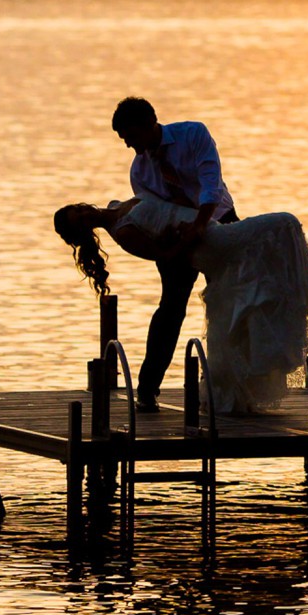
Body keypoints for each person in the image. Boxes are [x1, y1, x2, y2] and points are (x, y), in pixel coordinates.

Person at [53, 196, 308, 415]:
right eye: (82, 219)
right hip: (209, 243)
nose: (86, 213)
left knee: (243, 297)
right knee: (286, 224)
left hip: (211, 227)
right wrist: (185, 235)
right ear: (85, 230)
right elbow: (167, 255)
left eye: (79, 209)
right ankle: (149, 390)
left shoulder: (115, 206)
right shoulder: (124, 233)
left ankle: (230, 386)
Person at [112, 96, 236, 412]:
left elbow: (211, 183)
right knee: (171, 307)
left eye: (130, 137)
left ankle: (232, 385)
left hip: (219, 220)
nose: (129, 146)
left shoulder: (193, 134)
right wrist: (170, 241)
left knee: (231, 301)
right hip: (177, 236)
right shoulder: (140, 171)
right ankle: (147, 388)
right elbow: (154, 210)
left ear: (147, 124)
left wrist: (200, 223)